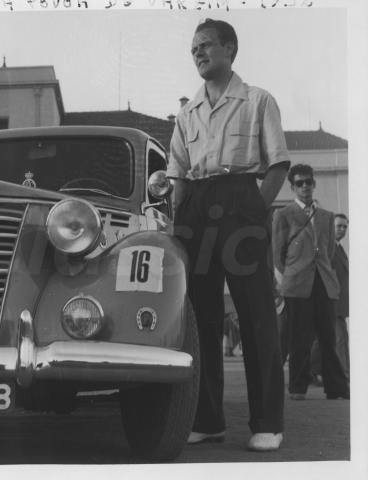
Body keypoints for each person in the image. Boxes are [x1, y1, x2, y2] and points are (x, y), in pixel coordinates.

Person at [167, 19, 289, 451]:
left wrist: (255, 210)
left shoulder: (258, 100)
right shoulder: (186, 113)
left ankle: (267, 422)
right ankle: (208, 419)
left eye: (205, 46)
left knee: (255, 316)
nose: (198, 53)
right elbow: (177, 173)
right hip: (196, 207)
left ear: (230, 49)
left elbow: (277, 164)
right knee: (199, 320)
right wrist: (178, 224)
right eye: (193, 48)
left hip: (242, 203)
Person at [272, 164, 349, 401]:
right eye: (299, 183)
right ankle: (297, 387)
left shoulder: (326, 216)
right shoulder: (283, 215)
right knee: (299, 338)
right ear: (292, 187)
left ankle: (336, 388)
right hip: (297, 284)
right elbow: (278, 253)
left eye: (308, 182)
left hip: (324, 283)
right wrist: (292, 275)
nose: (305, 186)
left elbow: (326, 251)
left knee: (328, 337)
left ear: (314, 184)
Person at [332, 213, 349, 378]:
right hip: (333, 302)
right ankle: (343, 375)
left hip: (341, 304)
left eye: (345, 226)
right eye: (339, 226)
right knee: (340, 340)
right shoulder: (328, 248)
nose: (342, 229)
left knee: (342, 338)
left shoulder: (339, 248)